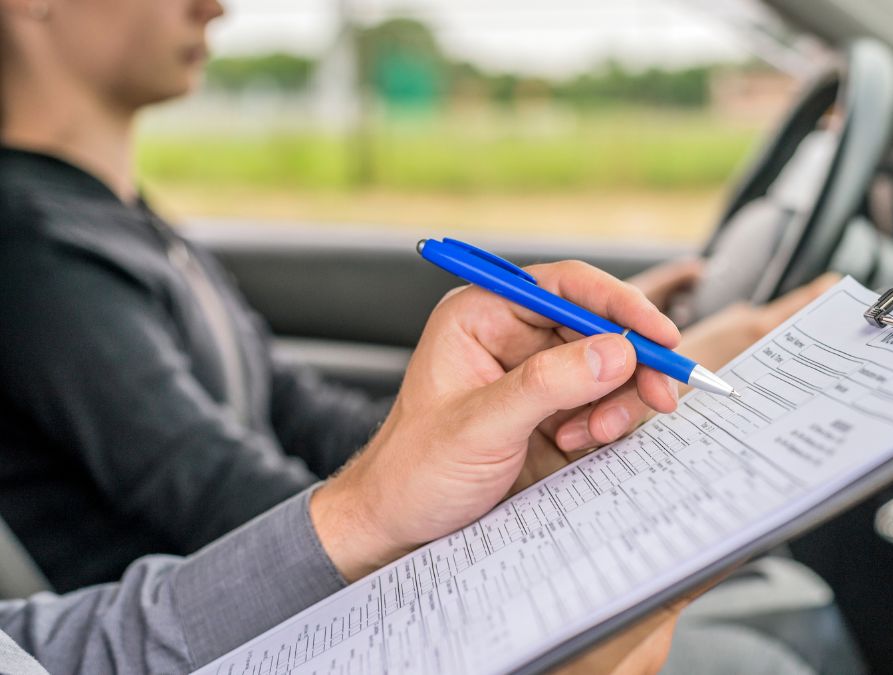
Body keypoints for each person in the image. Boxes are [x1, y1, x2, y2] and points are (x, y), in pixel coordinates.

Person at [0, 0, 838, 594]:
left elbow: (300, 413)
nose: (214, 7)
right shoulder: (29, 246)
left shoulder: (115, 217)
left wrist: (526, 388)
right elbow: (224, 500)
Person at [0, 259, 702, 674]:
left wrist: (375, 504)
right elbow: (210, 484)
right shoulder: (37, 253)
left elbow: (58, 654)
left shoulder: (137, 225)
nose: (216, 5)